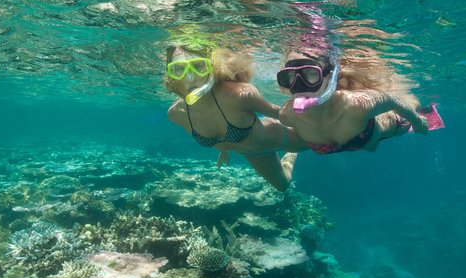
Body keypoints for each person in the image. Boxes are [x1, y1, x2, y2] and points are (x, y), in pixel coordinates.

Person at [165, 44, 308, 191]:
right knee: (283, 186)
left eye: (198, 66)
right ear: (171, 74)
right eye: (179, 68)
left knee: (314, 142)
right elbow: (218, 131)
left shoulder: (239, 95)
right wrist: (224, 149)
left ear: (211, 68)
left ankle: (293, 152)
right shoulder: (177, 114)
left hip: (276, 136)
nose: (190, 77)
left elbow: (279, 113)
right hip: (253, 153)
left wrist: (313, 123)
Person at [277, 46, 442, 154]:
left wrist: (417, 121)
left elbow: (393, 100)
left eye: (310, 74)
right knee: (370, 146)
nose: (299, 85)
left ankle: (420, 108)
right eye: (289, 77)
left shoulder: (357, 105)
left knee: (410, 106)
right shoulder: (287, 116)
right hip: (361, 140)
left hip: (385, 125)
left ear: (330, 76)